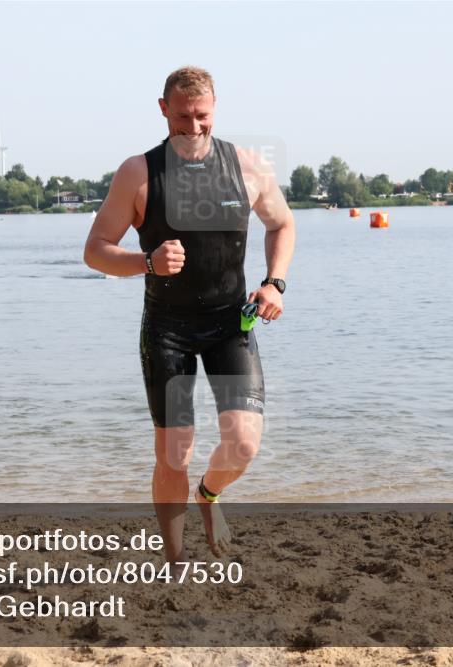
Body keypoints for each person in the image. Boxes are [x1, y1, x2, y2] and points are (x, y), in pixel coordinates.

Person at [84, 66, 295, 562]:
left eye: (202, 116)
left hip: (231, 325)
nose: (193, 126)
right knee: (174, 453)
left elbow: (282, 224)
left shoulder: (247, 167)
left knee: (243, 445)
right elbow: (95, 250)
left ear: (214, 108)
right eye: (182, 116)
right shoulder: (139, 173)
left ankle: (208, 495)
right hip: (168, 331)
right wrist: (146, 262)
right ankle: (176, 561)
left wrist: (275, 282)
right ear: (163, 109)